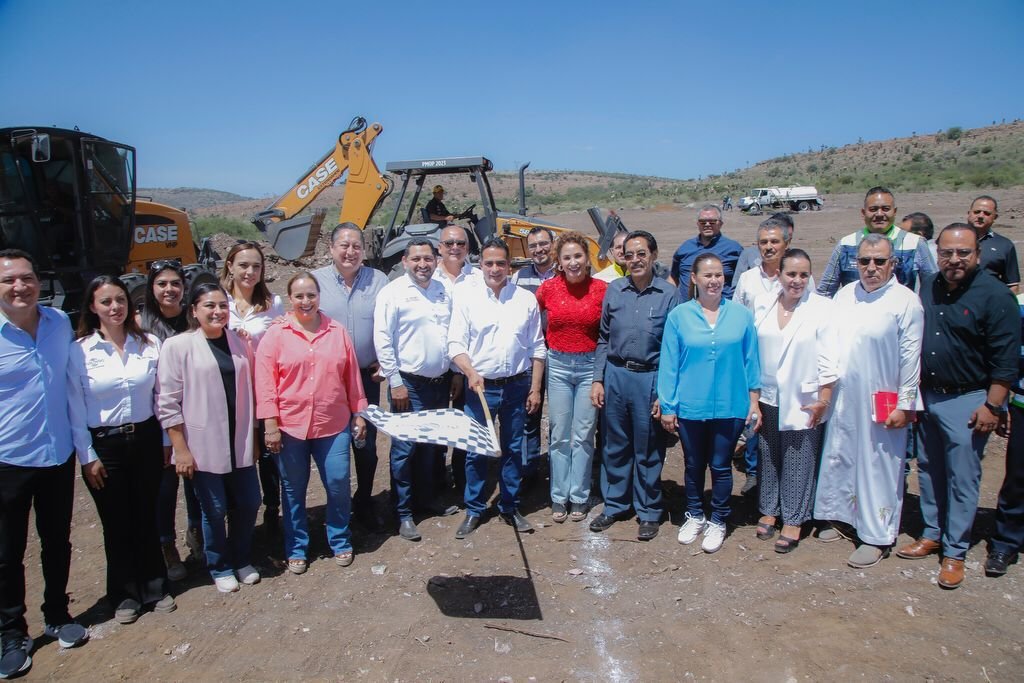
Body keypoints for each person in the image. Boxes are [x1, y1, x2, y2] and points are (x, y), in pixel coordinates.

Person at [895, 225, 1019, 589]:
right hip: (929, 395)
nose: (954, 260)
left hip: (969, 399)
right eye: (947, 253)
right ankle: (932, 532)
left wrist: (993, 405)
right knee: (930, 470)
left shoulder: (994, 295)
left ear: (977, 254)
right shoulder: (930, 286)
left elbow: (1006, 360)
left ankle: (955, 551)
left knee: (963, 478)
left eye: (963, 253)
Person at [0, 250, 88, 679]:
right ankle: (12, 633)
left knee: (57, 540)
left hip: (57, 455)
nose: (20, 287)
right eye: (9, 280)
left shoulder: (58, 323)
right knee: (7, 553)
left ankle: (57, 614)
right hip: (8, 459)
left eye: (27, 277)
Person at [68, 276, 175, 624]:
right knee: (115, 522)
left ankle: (155, 586)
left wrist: (164, 442)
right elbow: (74, 406)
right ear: (92, 307)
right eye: (106, 302)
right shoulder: (79, 351)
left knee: (147, 514)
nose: (115, 307)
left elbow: (161, 398)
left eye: (120, 300)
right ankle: (125, 593)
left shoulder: (148, 345)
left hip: (145, 438)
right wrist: (87, 456)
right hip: (105, 445)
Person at [814, 234, 924, 568]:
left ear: (893, 264)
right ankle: (840, 516)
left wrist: (905, 405)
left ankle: (876, 535)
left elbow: (911, 358)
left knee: (879, 465)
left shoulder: (906, 302)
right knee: (841, 455)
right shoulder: (846, 295)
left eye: (879, 261)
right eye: (864, 261)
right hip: (844, 398)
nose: (871, 268)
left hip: (883, 400)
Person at [256, 272, 367, 573]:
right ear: (290, 299)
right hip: (290, 427)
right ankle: (296, 546)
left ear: (319, 297)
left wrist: (359, 412)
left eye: (311, 295)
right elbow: (265, 384)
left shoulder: (337, 332)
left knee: (337, 482)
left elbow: (352, 377)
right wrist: (270, 424)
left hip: (333, 423)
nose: (306, 301)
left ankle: (340, 538)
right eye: (299, 296)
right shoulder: (276, 335)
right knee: (293, 489)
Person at [156, 283, 261, 593]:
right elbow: (167, 402)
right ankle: (220, 565)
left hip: (238, 438)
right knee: (213, 509)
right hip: (203, 444)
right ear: (193, 311)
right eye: (209, 306)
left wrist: (254, 436)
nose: (217, 312)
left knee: (249, 501)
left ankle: (241, 558)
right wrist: (180, 449)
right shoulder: (178, 346)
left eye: (222, 306)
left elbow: (251, 392)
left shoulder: (240, 342)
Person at [659, 253, 761, 554]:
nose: (714, 280)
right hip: (692, 404)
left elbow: (751, 361)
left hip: (730, 404)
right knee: (693, 465)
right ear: (694, 278)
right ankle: (694, 514)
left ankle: (718, 518)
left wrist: (753, 402)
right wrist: (668, 405)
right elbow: (670, 364)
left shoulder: (741, 315)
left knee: (721, 465)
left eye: (719, 274)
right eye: (707, 275)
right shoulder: (679, 317)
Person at [448, 237, 545, 538]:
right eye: (489, 263)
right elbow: (455, 344)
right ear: (481, 265)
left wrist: (536, 387)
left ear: (509, 265)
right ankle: (475, 508)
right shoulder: (467, 298)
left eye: (501, 263)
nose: (495, 268)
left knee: (514, 448)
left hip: (517, 385)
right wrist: (470, 372)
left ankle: (509, 505)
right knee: (477, 450)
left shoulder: (525, 299)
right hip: (480, 387)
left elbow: (537, 347)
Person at [590, 231, 681, 540]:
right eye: (629, 255)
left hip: (650, 377)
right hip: (616, 375)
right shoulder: (614, 290)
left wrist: (665, 393)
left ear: (653, 255)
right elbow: (603, 338)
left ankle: (648, 510)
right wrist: (598, 379)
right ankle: (615, 504)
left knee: (648, 446)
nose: (636, 260)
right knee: (614, 444)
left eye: (641, 253)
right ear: (622, 258)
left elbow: (674, 348)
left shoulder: (668, 295)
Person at [750, 249, 836, 553]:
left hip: (804, 397)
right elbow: (753, 351)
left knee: (799, 457)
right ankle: (769, 508)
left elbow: (830, 357)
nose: (797, 280)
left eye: (803, 274)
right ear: (780, 275)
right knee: (769, 452)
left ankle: (795, 518)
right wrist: (754, 397)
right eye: (791, 274)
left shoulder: (822, 308)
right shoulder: (763, 303)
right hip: (768, 395)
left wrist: (824, 399)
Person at [373, 240, 459, 542]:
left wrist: (455, 373)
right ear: (404, 261)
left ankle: (426, 499)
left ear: (436, 260)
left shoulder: (442, 290)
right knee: (405, 449)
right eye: (416, 259)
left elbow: (451, 334)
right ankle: (403, 511)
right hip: (408, 385)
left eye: (427, 258)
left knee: (431, 445)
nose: (422, 264)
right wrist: (395, 381)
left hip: (439, 382)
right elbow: (382, 339)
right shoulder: (393, 293)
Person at [312, 223, 388, 531]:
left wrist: (385, 362)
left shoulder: (379, 280)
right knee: (332, 444)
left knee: (366, 443)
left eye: (356, 246)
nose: (350, 251)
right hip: (328, 380)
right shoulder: (315, 282)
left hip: (367, 377)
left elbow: (389, 325)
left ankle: (365, 499)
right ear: (331, 249)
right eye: (344, 245)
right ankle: (337, 504)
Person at [536, 232, 607, 523]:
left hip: (590, 366)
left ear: (586, 259)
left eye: (578, 256)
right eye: (567, 257)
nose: (573, 262)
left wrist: (600, 376)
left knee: (583, 434)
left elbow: (607, 333)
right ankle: (558, 496)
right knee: (558, 433)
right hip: (559, 365)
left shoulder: (602, 290)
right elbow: (530, 321)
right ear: (559, 262)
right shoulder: (548, 289)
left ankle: (578, 495)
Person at [137, 260, 202, 581]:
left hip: (197, 414)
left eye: (175, 284)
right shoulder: (143, 327)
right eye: (162, 284)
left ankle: (195, 531)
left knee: (197, 482)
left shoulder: (194, 320)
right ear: (152, 288)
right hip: (161, 418)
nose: (169, 290)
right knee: (165, 487)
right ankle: (166, 545)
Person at [221, 242, 285, 531]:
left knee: (270, 453)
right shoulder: (219, 302)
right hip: (230, 391)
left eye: (256, 266)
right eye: (243, 265)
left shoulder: (274, 304)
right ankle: (237, 515)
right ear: (230, 266)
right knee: (238, 452)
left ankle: (273, 507)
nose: (249, 271)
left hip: (265, 389)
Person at [732, 217, 797, 496]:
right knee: (754, 420)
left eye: (774, 242)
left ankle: (785, 479)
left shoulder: (796, 276)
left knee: (785, 423)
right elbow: (735, 318)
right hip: (754, 361)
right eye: (763, 242)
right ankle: (754, 473)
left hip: (788, 362)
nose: (769, 247)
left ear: (786, 243)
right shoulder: (748, 279)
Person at [817, 186, 936, 297]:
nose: (879, 214)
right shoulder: (846, 245)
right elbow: (825, 292)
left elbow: (933, 288)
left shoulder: (914, 244)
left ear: (894, 212)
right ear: (863, 213)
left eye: (885, 209)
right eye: (873, 209)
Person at [433, 224, 478, 493]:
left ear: (468, 248)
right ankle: (437, 483)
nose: (454, 248)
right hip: (435, 367)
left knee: (463, 426)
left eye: (460, 243)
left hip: (465, 365)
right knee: (438, 427)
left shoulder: (478, 277)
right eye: (448, 243)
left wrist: (461, 372)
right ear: (439, 246)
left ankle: (463, 482)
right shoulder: (427, 276)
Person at [511, 227, 557, 483]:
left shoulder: (566, 272)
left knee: (560, 416)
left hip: (561, 353)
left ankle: (556, 470)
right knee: (530, 412)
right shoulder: (519, 278)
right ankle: (529, 472)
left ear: (553, 244)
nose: (539, 250)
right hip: (531, 357)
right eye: (533, 246)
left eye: (543, 244)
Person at [987, 290, 1024, 576]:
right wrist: (999, 403)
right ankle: (1006, 542)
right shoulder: (1019, 305)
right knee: (1018, 477)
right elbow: (1008, 354)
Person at [668, 205, 743, 302]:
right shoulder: (684, 248)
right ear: (697, 224)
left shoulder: (734, 249)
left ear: (720, 223)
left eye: (712, 221)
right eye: (702, 222)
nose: (707, 224)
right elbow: (673, 278)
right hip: (688, 310)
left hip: (722, 310)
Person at [967, 195, 1019, 293]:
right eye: (976, 212)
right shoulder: (953, 238)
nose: (981, 216)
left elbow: (1012, 285)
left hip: (989, 303)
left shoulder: (1004, 245)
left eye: (987, 213)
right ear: (969, 213)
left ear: (995, 217)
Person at [732, 212, 794, 286]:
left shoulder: (798, 265)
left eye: (789, 236)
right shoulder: (748, 260)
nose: (769, 247)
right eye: (764, 242)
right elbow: (736, 289)